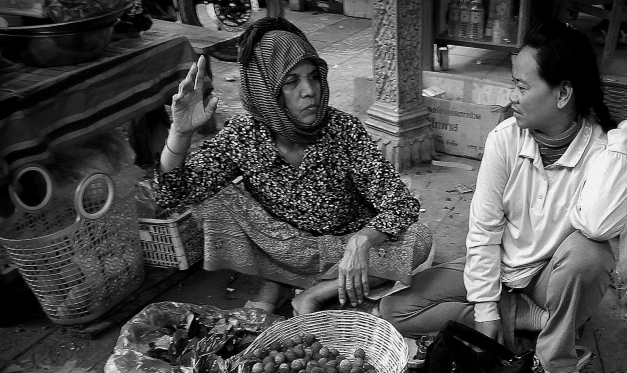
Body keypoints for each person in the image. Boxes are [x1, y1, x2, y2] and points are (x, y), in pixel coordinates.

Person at [381, 19, 627, 373]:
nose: (511, 97)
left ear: (563, 94)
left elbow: (597, 224)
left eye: (522, 87)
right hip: (507, 268)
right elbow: (484, 231)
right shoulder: (504, 140)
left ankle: (556, 357)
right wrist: (487, 309)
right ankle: (540, 323)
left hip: (551, 278)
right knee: (394, 309)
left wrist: (624, 137)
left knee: (588, 254)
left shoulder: (603, 150)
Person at [153, 18, 433, 315]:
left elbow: (401, 205)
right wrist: (180, 133)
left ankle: (313, 292)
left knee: (419, 239)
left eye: (313, 77)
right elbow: (171, 194)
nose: (310, 91)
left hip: (341, 247)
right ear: (265, 89)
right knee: (209, 197)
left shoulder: (343, 130)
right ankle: (278, 281)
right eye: (291, 82)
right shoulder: (244, 135)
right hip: (281, 246)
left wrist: (363, 241)